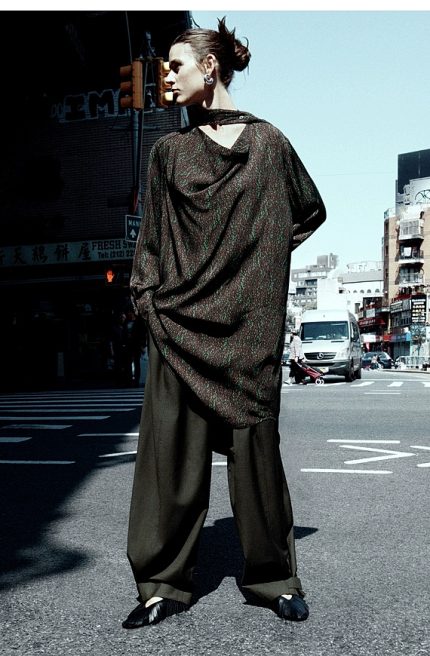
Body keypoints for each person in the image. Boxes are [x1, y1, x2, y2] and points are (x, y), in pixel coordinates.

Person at [123, 17, 326, 629]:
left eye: (176, 66)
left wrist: (256, 264)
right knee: (169, 463)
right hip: (177, 324)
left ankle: (273, 579)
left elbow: (307, 210)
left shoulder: (269, 144)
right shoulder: (169, 151)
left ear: (210, 68)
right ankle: (161, 584)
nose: (166, 77)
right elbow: (152, 241)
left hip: (248, 329)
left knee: (257, 461)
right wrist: (150, 301)